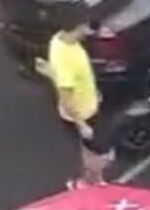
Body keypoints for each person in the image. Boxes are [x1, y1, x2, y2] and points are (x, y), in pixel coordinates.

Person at [38, 19, 115, 187]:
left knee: (89, 150)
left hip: (89, 104)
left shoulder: (58, 40)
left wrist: (51, 72)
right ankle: (86, 182)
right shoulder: (67, 58)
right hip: (83, 114)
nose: (91, 32)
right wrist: (81, 124)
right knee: (102, 154)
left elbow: (65, 77)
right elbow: (66, 97)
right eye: (91, 27)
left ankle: (94, 179)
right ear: (80, 26)